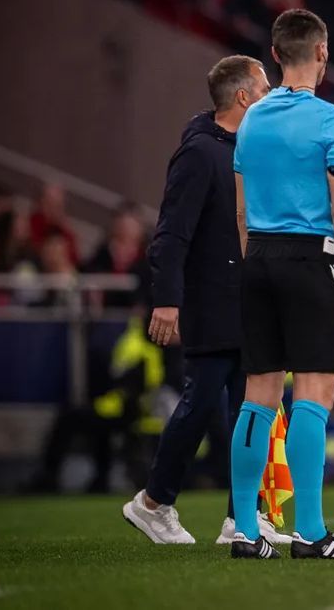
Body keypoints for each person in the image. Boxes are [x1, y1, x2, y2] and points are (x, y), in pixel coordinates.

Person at [229, 9, 334, 561]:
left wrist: (255, 265)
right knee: (314, 394)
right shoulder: (332, 120)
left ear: (274, 54)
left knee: (258, 396)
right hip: (309, 259)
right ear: (322, 53)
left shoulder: (251, 121)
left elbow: (242, 213)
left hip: (259, 256)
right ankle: (310, 532)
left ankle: (246, 530)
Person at [121, 55, 284, 546]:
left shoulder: (243, 148)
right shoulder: (199, 153)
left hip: (245, 299)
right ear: (243, 97)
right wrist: (167, 301)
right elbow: (170, 234)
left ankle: (243, 518)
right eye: (264, 85)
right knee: (199, 406)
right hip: (211, 301)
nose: (271, 92)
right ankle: (152, 502)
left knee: (248, 410)